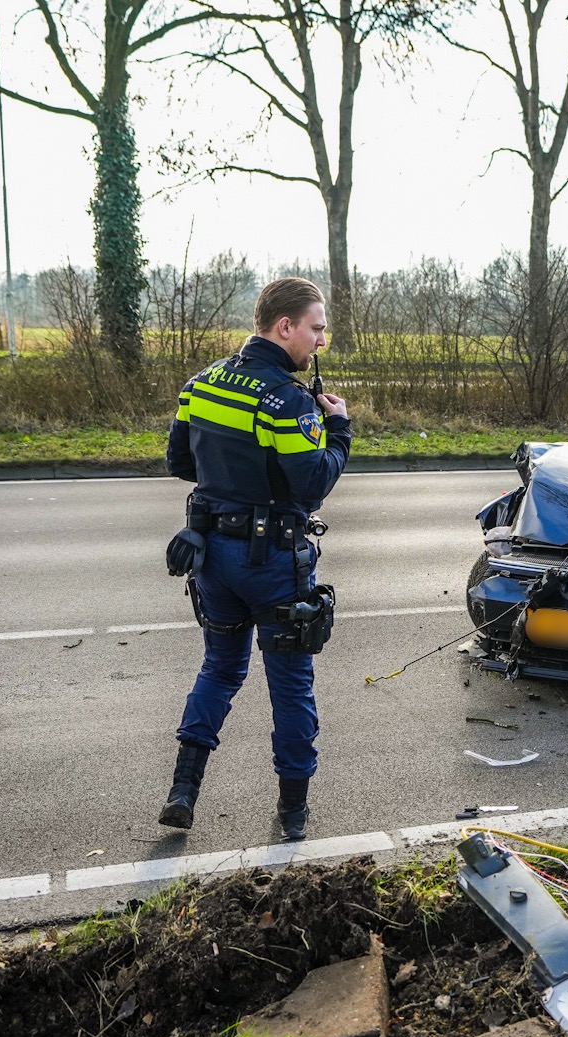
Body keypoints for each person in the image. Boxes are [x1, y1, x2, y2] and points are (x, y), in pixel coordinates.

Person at [159, 277, 354, 839]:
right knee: (291, 685)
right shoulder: (290, 402)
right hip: (272, 562)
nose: (321, 341)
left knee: (219, 669)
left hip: (211, 557)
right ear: (284, 326)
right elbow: (313, 482)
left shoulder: (202, 383)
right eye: (316, 328)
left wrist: (232, 481)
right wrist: (338, 429)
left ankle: (183, 791)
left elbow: (180, 462)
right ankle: (293, 811)